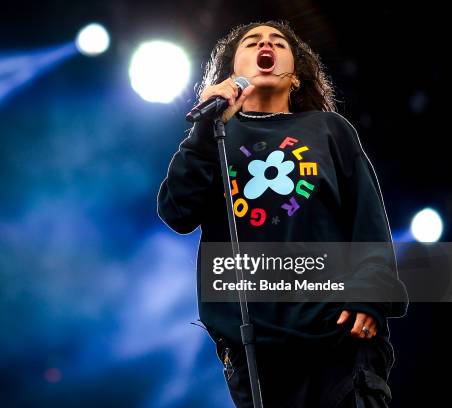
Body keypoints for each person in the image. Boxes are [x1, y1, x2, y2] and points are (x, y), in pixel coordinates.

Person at [157, 20, 409, 407]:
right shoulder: (215, 139)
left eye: (278, 43)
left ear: (295, 76)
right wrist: (205, 133)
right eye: (252, 42)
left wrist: (371, 294)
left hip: (337, 340)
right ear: (232, 73)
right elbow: (177, 211)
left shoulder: (329, 130)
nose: (266, 45)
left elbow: (368, 219)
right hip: (255, 351)